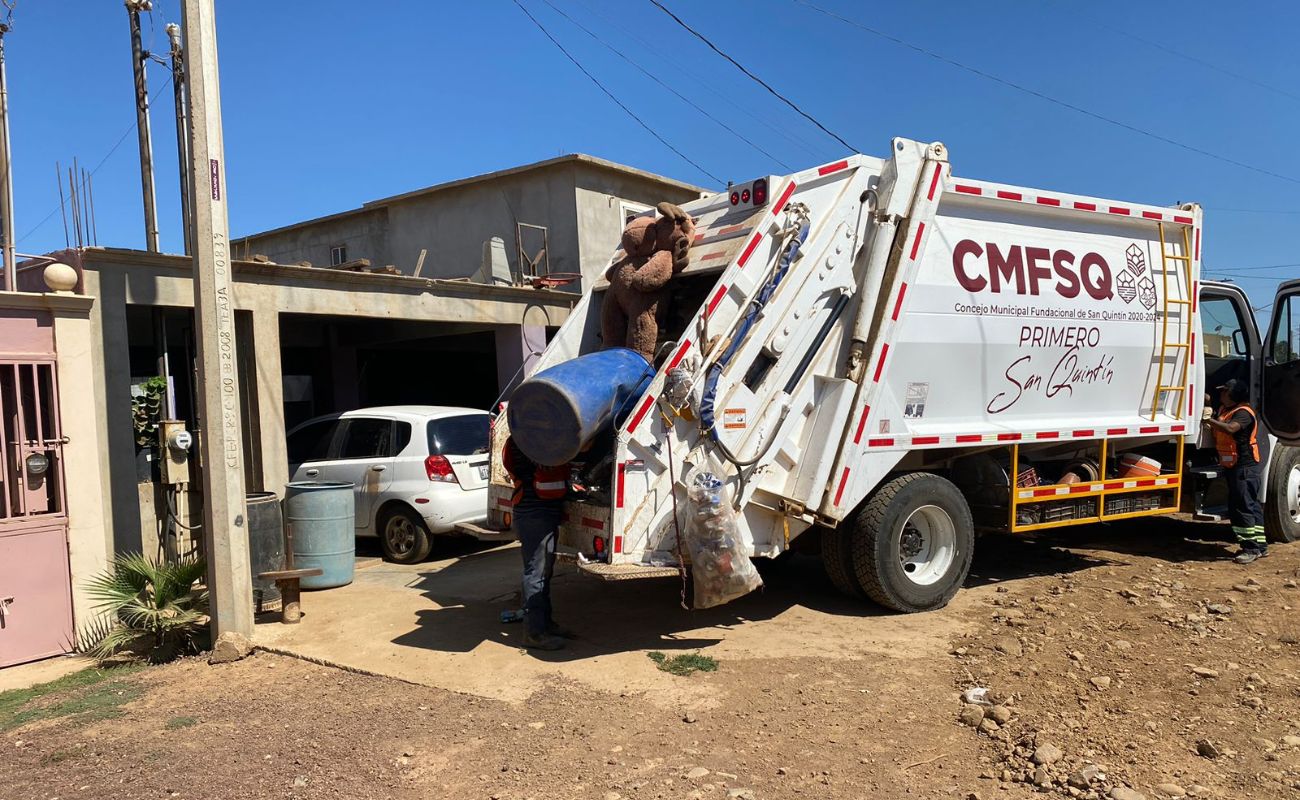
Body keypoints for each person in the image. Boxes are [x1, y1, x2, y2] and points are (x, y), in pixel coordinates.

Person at [502, 436, 574, 650]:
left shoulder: (524, 439)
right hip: (535, 513)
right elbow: (553, 459)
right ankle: (534, 633)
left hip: (539, 511)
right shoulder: (530, 442)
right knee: (536, 573)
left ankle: (545, 624)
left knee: (543, 572)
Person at [1202, 379, 1267, 563]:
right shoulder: (1225, 409)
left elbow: (1231, 428)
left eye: (1224, 391)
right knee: (1251, 506)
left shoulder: (1244, 413)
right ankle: (1261, 546)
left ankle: (1251, 549)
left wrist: (1209, 420)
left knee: (1242, 508)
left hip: (1244, 468)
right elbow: (1209, 399)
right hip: (1236, 467)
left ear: (1233, 394)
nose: (1221, 394)